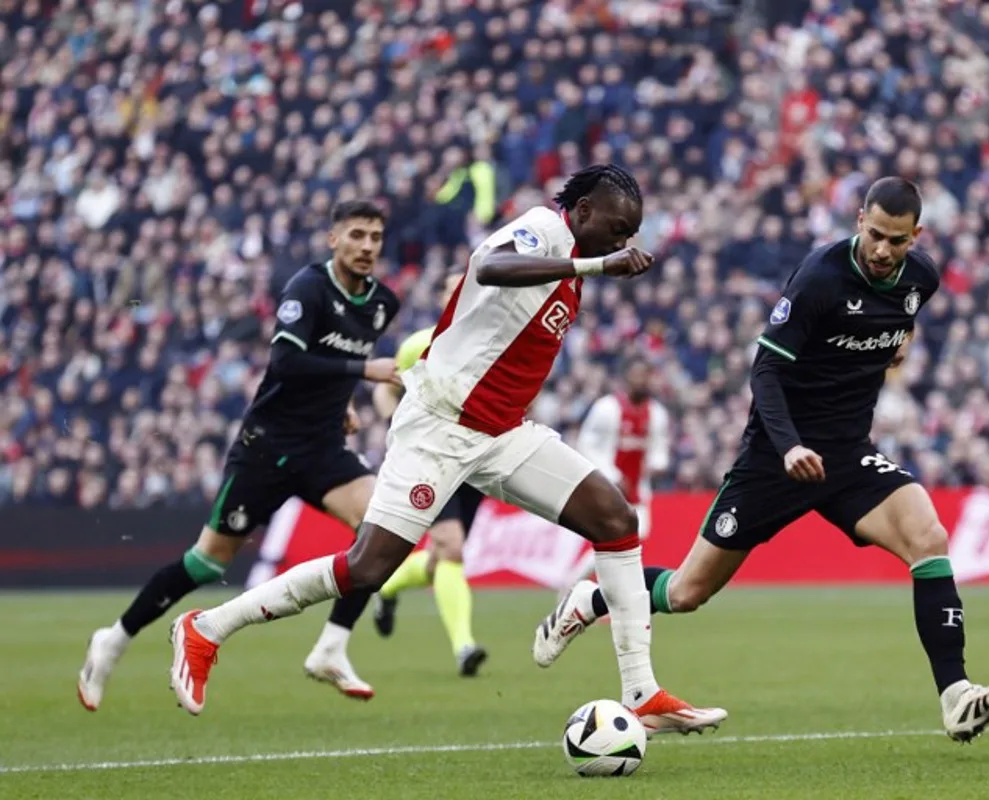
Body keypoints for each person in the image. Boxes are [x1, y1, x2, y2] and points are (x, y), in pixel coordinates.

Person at [167, 164, 727, 735]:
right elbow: (490, 267)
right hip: (441, 426)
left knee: (615, 518)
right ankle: (207, 626)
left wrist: (593, 265)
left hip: (504, 433)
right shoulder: (543, 230)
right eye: (616, 227)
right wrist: (595, 262)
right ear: (582, 211)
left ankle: (641, 693)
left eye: (631, 233)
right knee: (369, 567)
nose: (623, 242)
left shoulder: (577, 261)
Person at [534, 177, 989, 744]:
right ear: (858, 218)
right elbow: (764, 370)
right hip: (776, 456)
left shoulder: (922, 279)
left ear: (916, 236)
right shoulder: (821, 277)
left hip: (846, 456)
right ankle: (592, 596)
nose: (883, 250)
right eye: (874, 234)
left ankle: (956, 696)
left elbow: (900, 319)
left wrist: (901, 342)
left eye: (896, 239)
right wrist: (790, 445)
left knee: (929, 537)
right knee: (687, 592)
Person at [78, 200, 402, 710]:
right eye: (356, 235)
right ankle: (113, 638)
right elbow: (288, 361)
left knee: (382, 529)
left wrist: (341, 405)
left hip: (322, 448)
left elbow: (339, 357)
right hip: (267, 447)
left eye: (375, 237)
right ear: (333, 239)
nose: (366, 246)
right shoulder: (308, 288)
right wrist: (361, 376)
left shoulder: (383, 303)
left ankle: (331, 648)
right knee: (207, 563)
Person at [370, 272, 490, 677]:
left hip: (475, 463)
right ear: (443, 298)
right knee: (452, 547)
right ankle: (464, 647)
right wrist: (397, 428)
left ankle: (387, 587)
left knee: (442, 560)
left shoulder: (498, 343)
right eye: (451, 287)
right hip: (431, 461)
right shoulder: (420, 345)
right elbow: (385, 389)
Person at [563, 356, 670, 590]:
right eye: (637, 376)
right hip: (609, 485)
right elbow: (586, 443)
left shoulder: (657, 413)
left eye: (646, 376)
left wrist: (657, 464)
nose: (642, 381)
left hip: (638, 488)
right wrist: (612, 474)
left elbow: (659, 449)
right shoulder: (607, 408)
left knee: (633, 537)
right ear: (626, 379)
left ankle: (580, 584)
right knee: (617, 539)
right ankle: (587, 586)